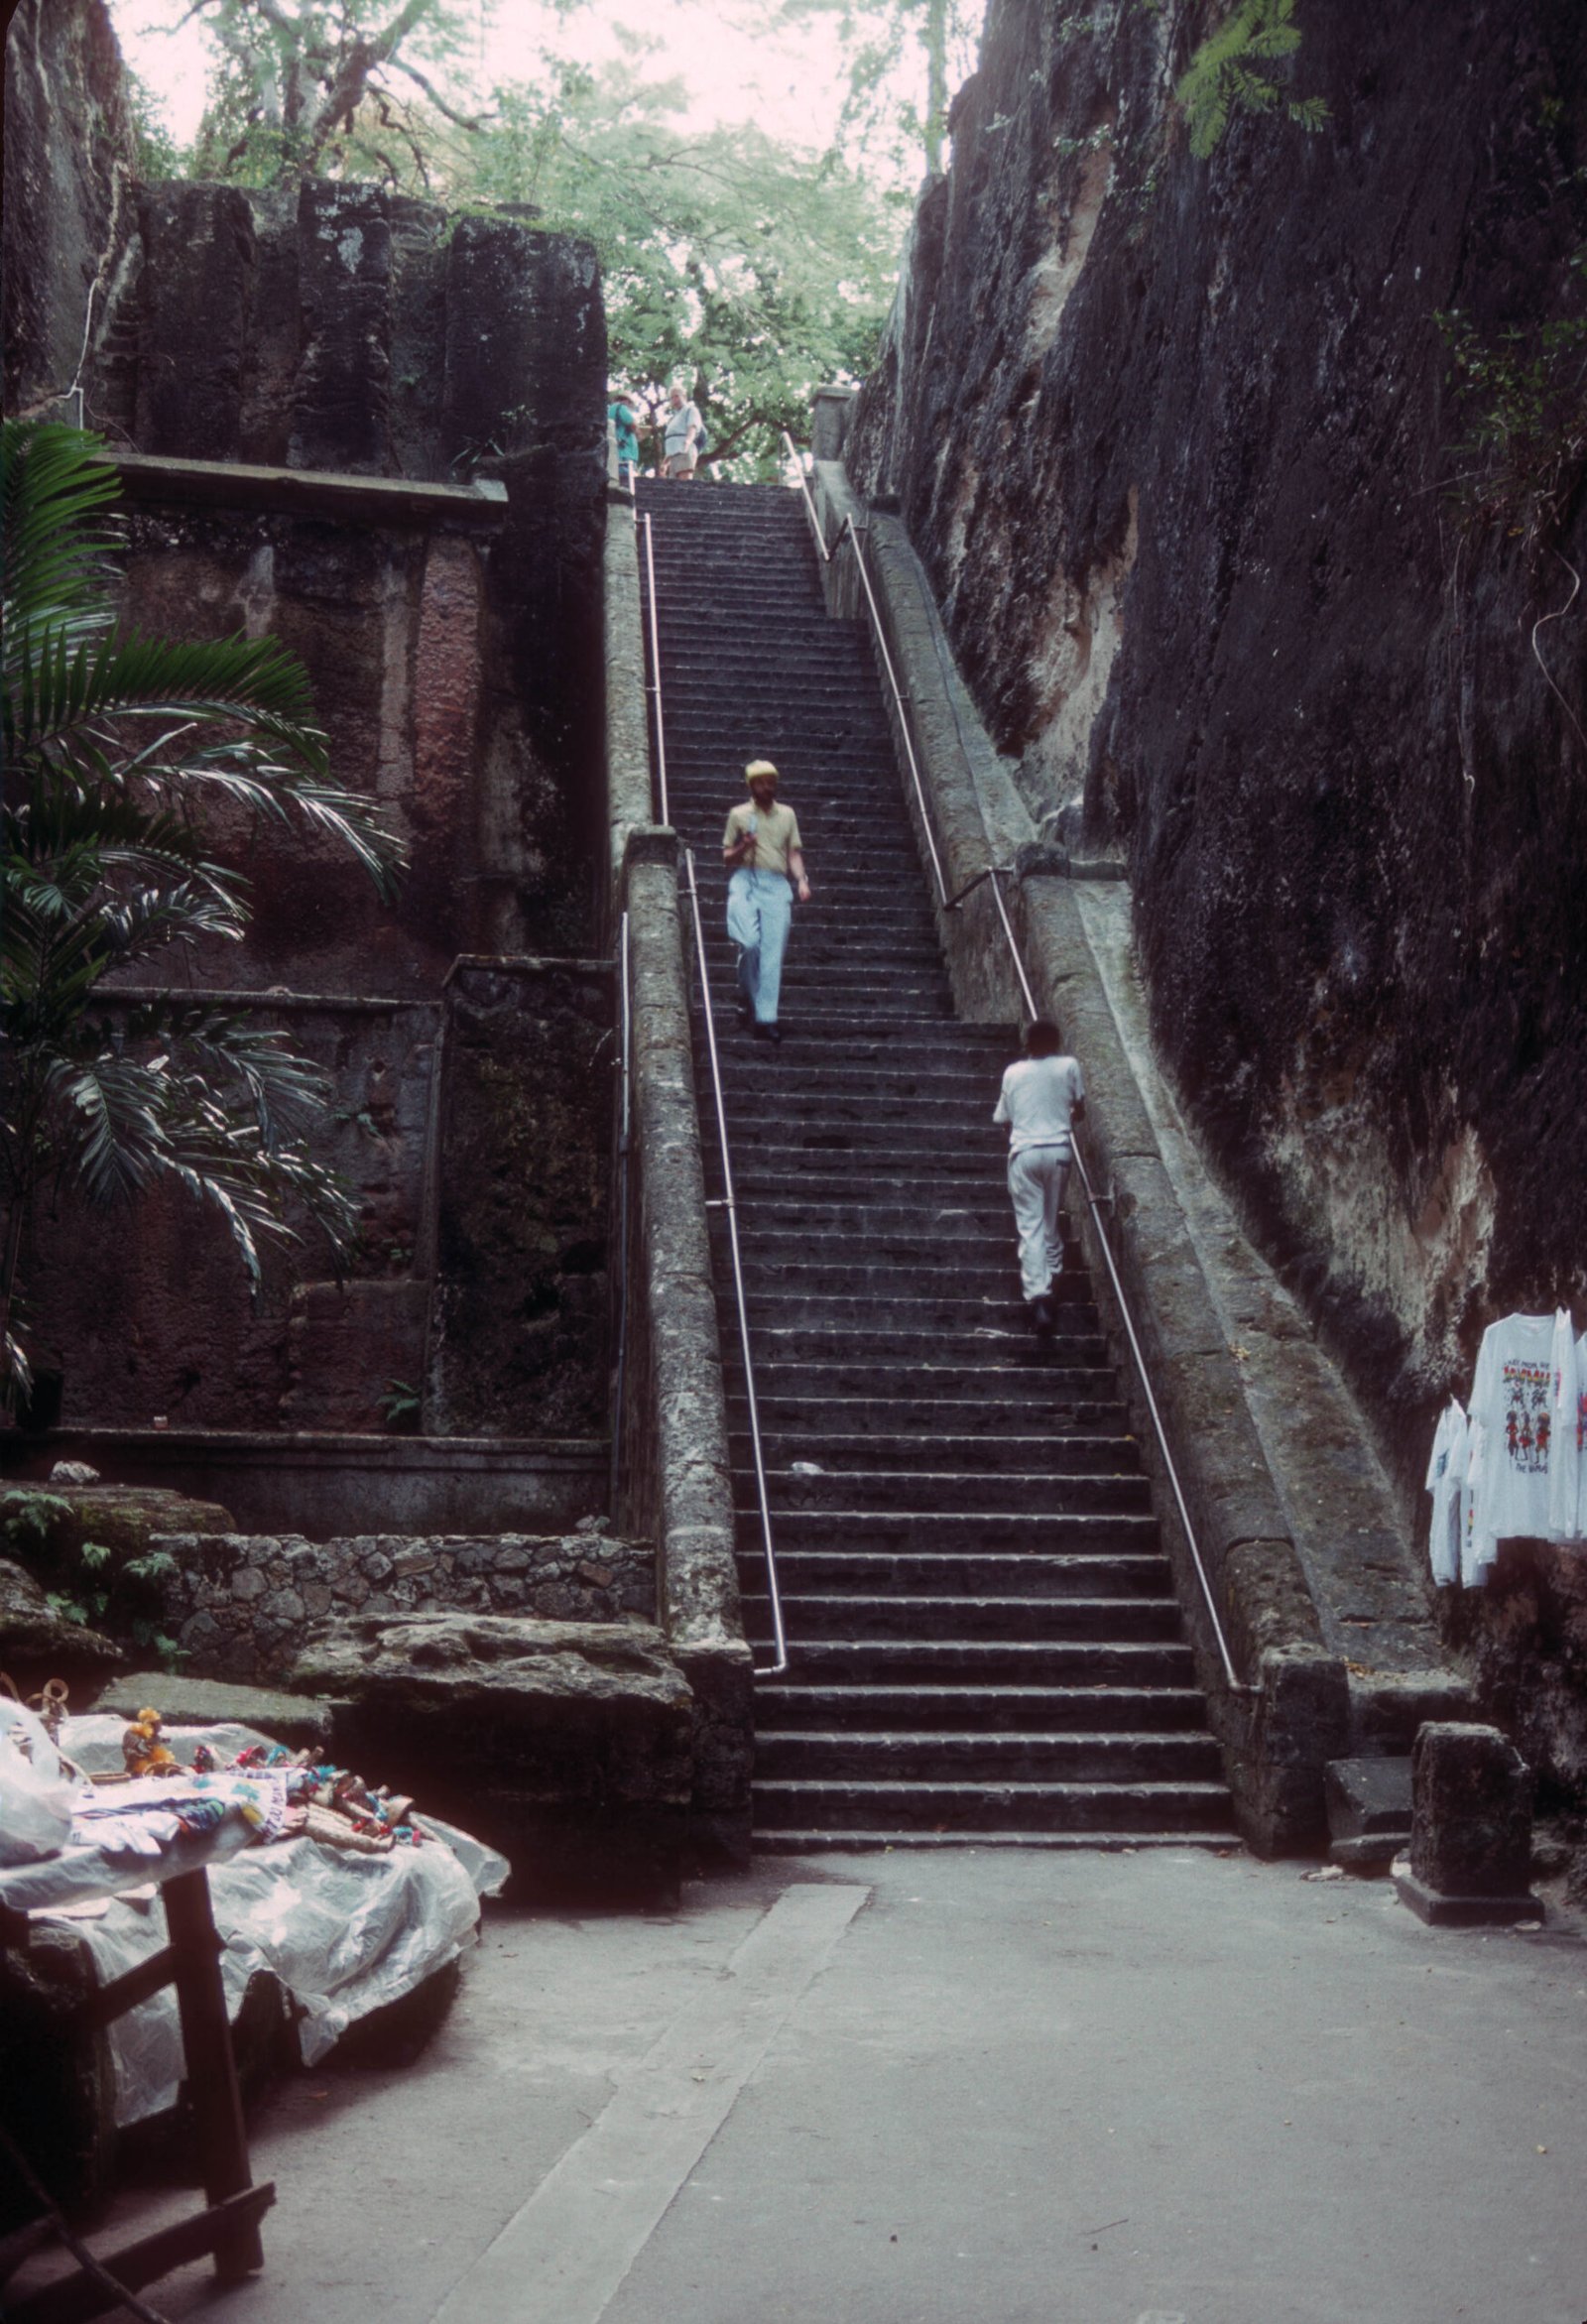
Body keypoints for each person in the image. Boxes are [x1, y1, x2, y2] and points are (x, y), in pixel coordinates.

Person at [993, 1020, 1085, 1334]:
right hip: (1059, 1151)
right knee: (1050, 1219)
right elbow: (1080, 1108)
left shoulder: (1013, 1072)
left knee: (1030, 1226)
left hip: (1026, 1154)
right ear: (1057, 1041)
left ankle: (1040, 1298)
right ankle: (1054, 1273)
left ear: (1027, 1044)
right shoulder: (1069, 1065)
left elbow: (1003, 1119)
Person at [722, 759, 810, 1044]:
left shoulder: (787, 815)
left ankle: (765, 1018)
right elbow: (726, 857)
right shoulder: (738, 815)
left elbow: (793, 852)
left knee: (772, 953)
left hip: (775, 882)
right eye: (762, 782)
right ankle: (746, 995)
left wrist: (801, 880)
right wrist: (743, 846)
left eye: (771, 781)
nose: (768, 787)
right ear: (751, 785)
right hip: (745, 879)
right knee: (748, 943)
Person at [663, 382, 704, 479]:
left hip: (684, 450)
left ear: (684, 396)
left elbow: (692, 427)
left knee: (684, 484)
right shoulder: (675, 417)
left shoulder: (690, 410)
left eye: (676, 396)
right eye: (671, 398)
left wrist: (688, 442)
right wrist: (665, 463)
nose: (674, 400)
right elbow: (672, 442)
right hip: (674, 456)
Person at [608, 392, 640, 490]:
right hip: (625, 452)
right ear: (626, 401)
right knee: (628, 482)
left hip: (615, 452)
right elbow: (632, 423)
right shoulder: (621, 407)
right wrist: (638, 433)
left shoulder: (610, 410)